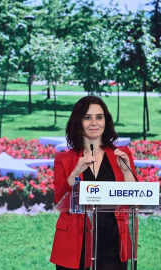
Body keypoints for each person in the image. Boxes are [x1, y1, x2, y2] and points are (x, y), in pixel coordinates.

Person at [50, 96, 137, 270]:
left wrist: (126, 170)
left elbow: (135, 197)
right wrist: (76, 172)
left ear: (106, 121)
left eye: (99, 117)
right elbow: (60, 201)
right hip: (75, 243)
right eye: (87, 117)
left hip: (112, 240)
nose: (94, 123)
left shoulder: (122, 154)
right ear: (78, 121)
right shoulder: (64, 159)